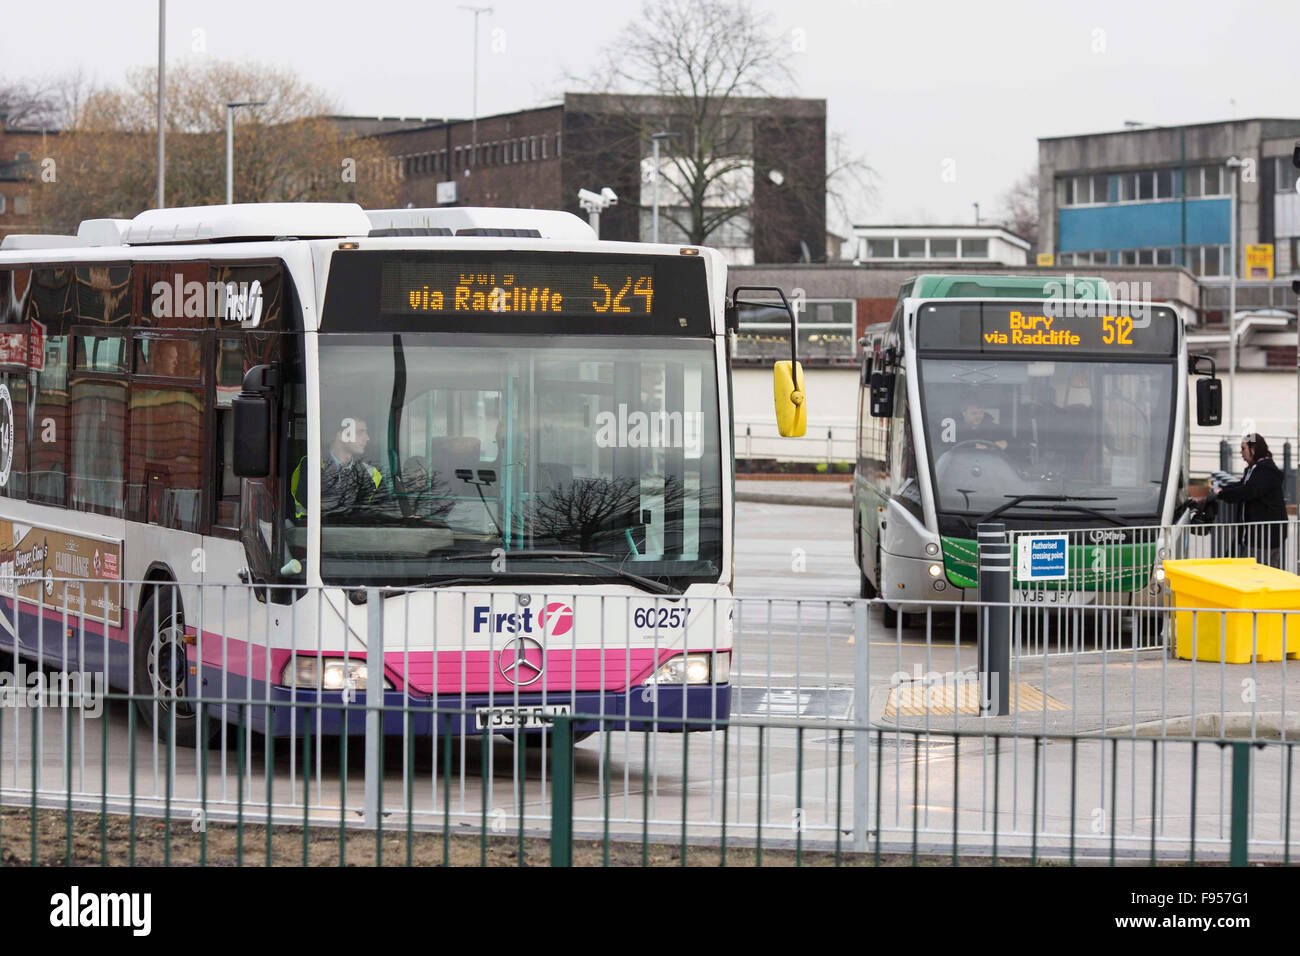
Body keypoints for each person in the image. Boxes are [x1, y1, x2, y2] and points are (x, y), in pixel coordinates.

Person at [1213, 433, 1288, 567]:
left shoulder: (1265, 470)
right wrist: (1222, 490)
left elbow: (1248, 491)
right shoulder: (1254, 469)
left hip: (1264, 537)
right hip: (1256, 536)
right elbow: (1242, 485)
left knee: (1256, 576)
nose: (1241, 453)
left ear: (1253, 449)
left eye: (1243, 449)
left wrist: (1221, 494)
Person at [291, 416, 386, 519]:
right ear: (341, 435)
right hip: (312, 533)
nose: (367, 438)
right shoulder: (310, 465)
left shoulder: (371, 473)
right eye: (360, 432)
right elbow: (315, 503)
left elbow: (384, 509)